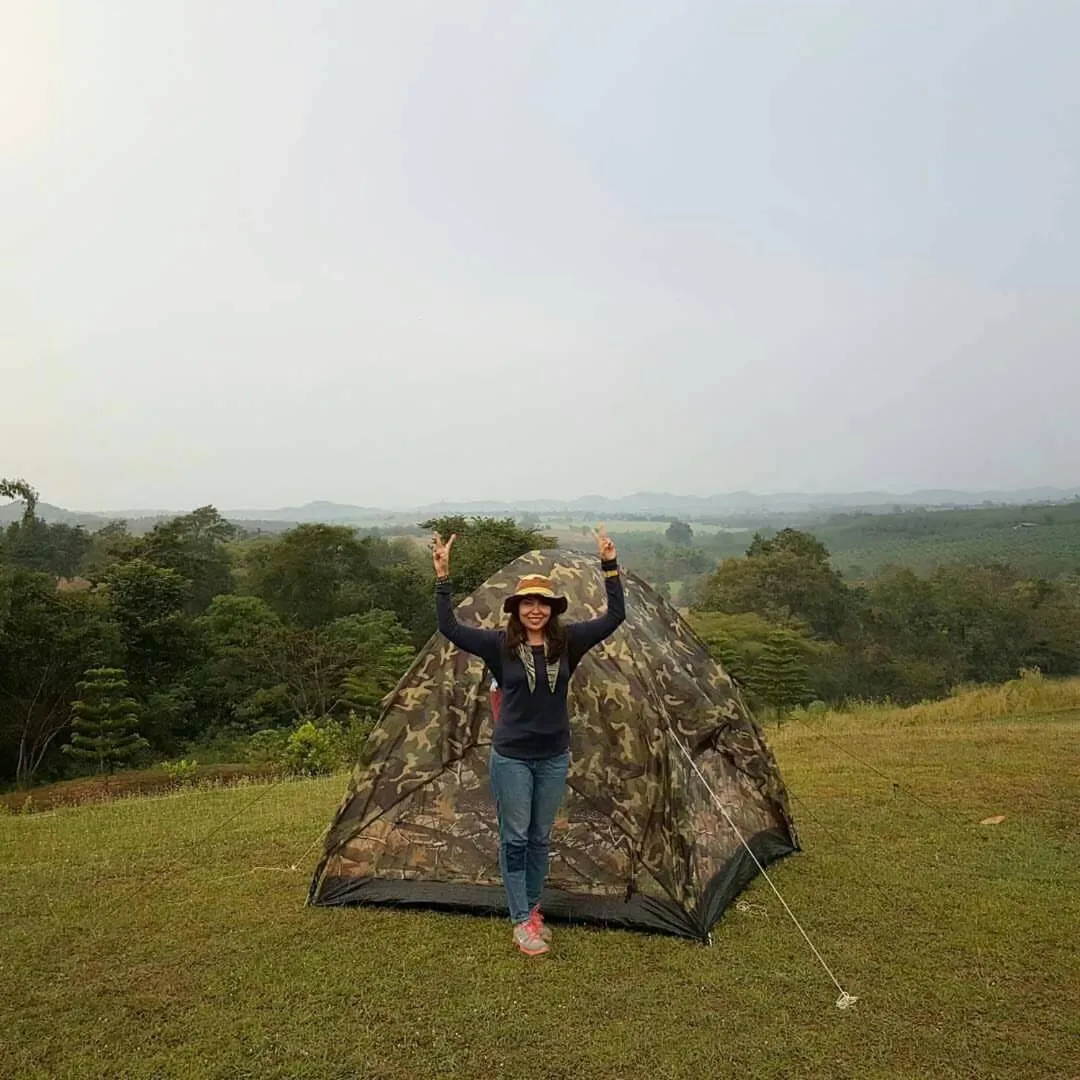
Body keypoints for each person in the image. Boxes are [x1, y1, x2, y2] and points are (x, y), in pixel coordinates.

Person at [432, 527, 626, 956]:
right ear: (516, 609)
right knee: (515, 838)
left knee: (539, 838)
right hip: (512, 758)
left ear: (552, 609)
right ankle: (521, 919)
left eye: (542, 603)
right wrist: (443, 577)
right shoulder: (498, 645)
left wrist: (609, 565)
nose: (534, 610)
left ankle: (533, 911)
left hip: (554, 756)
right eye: (527, 603)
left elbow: (615, 617)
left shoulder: (568, 642)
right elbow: (449, 627)